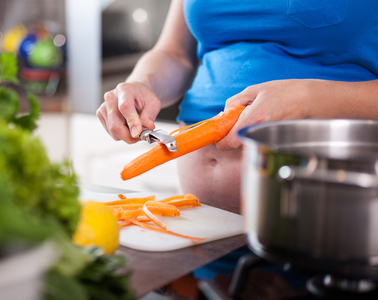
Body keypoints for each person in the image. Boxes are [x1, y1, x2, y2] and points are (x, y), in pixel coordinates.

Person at [97, 1, 378, 297]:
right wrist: (142, 84)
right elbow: (175, 54)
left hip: (336, 246)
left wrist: (310, 98)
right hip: (203, 238)